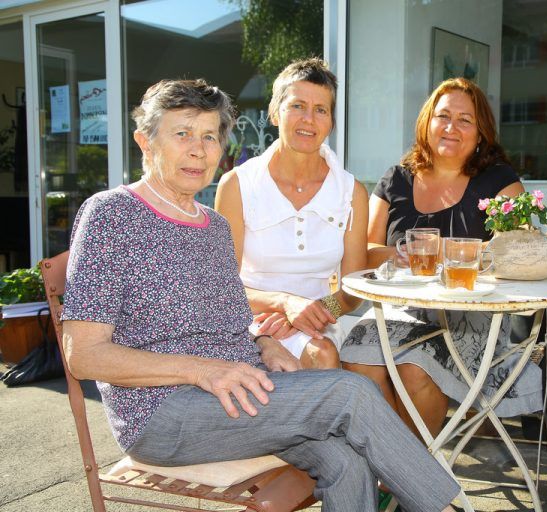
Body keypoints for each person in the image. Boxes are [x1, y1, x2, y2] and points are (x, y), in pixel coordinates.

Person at [60, 78, 459, 512]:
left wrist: (266, 345)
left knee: (346, 460)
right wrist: (201, 371)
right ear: (145, 141)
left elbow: (233, 323)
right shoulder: (112, 215)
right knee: (349, 393)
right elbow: (83, 355)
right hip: (162, 412)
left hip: (238, 392)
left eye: (210, 136)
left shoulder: (212, 226)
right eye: (182, 134)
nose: (199, 149)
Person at [341, 78, 543, 438]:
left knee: (415, 367)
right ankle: (394, 462)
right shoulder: (397, 179)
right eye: (443, 115)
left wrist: (447, 254)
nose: (452, 127)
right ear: (426, 123)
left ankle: (403, 477)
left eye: (465, 120)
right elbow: (368, 253)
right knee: (356, 356)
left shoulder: (499, 182)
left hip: (471, 316)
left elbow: (517, 251)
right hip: (401, 308)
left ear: (481, 133)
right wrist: (402, 255)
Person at [216, 59, 367, 371]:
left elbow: (353, 292)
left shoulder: (351, 192)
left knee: (322, 353)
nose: (308, 119)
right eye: (297, 105)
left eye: (321, 109)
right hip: (250, 320)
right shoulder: (237, 185)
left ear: (331, 122)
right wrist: (285, 305)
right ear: (275, 112)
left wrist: (308, 315)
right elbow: (221, 285)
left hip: (321, 321)